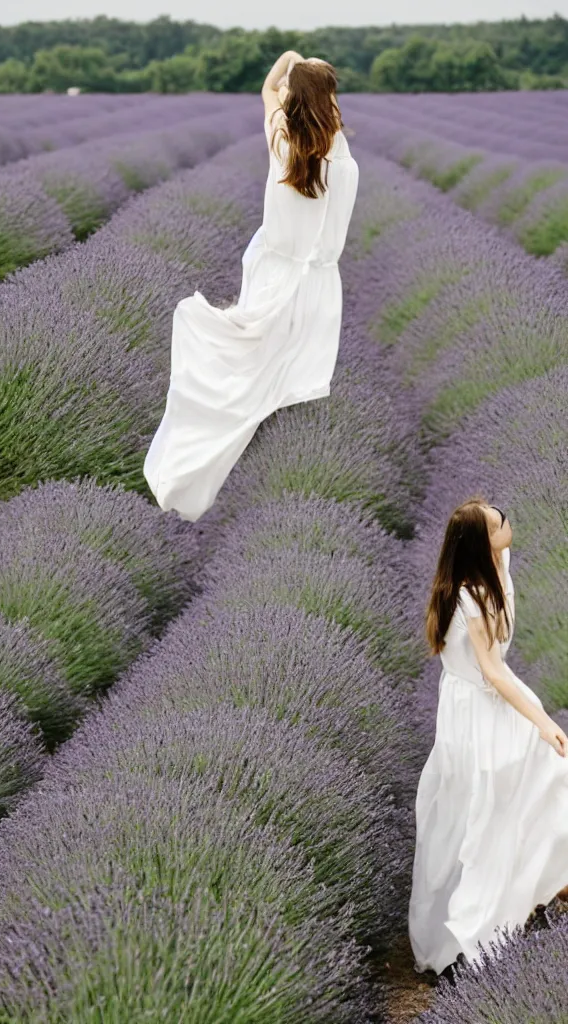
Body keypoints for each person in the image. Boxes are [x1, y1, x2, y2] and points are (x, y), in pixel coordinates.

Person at [143, 51, 359, 522]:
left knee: (247, 380)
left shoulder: (283, 137)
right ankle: (285, 478)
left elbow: (267, 88)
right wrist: (310, 74)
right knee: (284, 386)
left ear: (295, 97)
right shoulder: (339, 149)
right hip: (321, 286)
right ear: (329, 99)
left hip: (275, 276)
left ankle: (202, 468)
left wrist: (290, 59)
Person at [410, 498, 568, 978]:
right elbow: (493, 672)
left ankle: (544, 892)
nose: (509, 524)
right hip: (481, 713)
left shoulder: (491, 575)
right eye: (501, 523)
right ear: (484, 542)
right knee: (494, 810)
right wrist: (541, 722)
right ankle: (483, 928)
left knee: (536, 790)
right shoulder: (469, 594)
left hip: (485, 704)